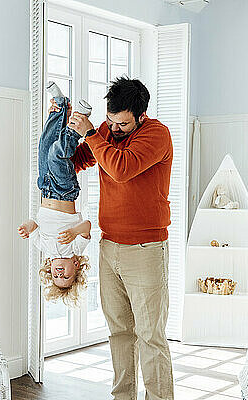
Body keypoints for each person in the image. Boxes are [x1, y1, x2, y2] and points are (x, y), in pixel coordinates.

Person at [61, 76, 174, 400]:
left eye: (122, 123)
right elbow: (82, 159)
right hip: (109, 246)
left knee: (150, 335)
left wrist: (93, 134)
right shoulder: (108, 134)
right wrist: (64, 136)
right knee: (120, 333)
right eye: (110, 121)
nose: (115, 128)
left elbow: (121, 168)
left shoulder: (156, 134)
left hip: (145, 250)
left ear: (140, 116)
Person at [18, 82, 93, 306]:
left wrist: (27, 226)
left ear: (49, 270)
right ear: (76, 267)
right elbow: (88, 226)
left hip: (45, 189)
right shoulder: (74, 249)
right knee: (56, 156)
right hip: (64, 191)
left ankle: (62, 107)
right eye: (66, 276)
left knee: (45, 146)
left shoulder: (44, 248)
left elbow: (34, 226)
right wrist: (73, 232)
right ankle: (76, 124)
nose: (59, 273)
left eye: (56, 276)